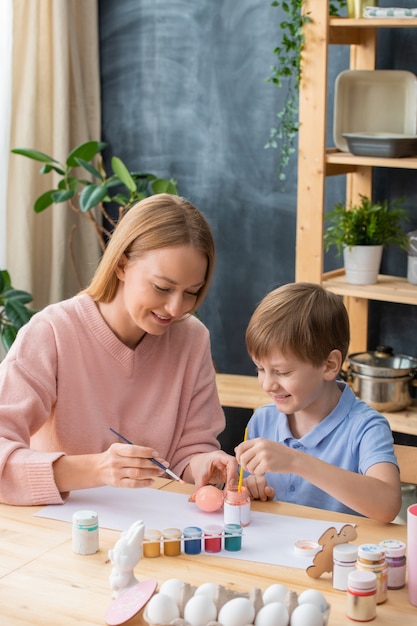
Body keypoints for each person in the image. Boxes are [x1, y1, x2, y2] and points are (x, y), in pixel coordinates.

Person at [0, 193, 237, 506]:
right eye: (162, 288)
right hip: (60, 531)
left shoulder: (192, 339)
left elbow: (190, 450)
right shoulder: (52, 332)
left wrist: (203, 462)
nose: (176, 308)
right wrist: (97, 469)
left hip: (154, 528)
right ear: (122, 264)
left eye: (191, 292)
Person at [234, 282, 402, 523]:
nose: (267, 384)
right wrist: (250, 487)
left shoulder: (365, 426)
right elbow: (246, 487)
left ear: (329, 365)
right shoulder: (263, 419)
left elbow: (387, 505)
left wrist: (296, 461)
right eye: (260, 368)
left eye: (282, 372)